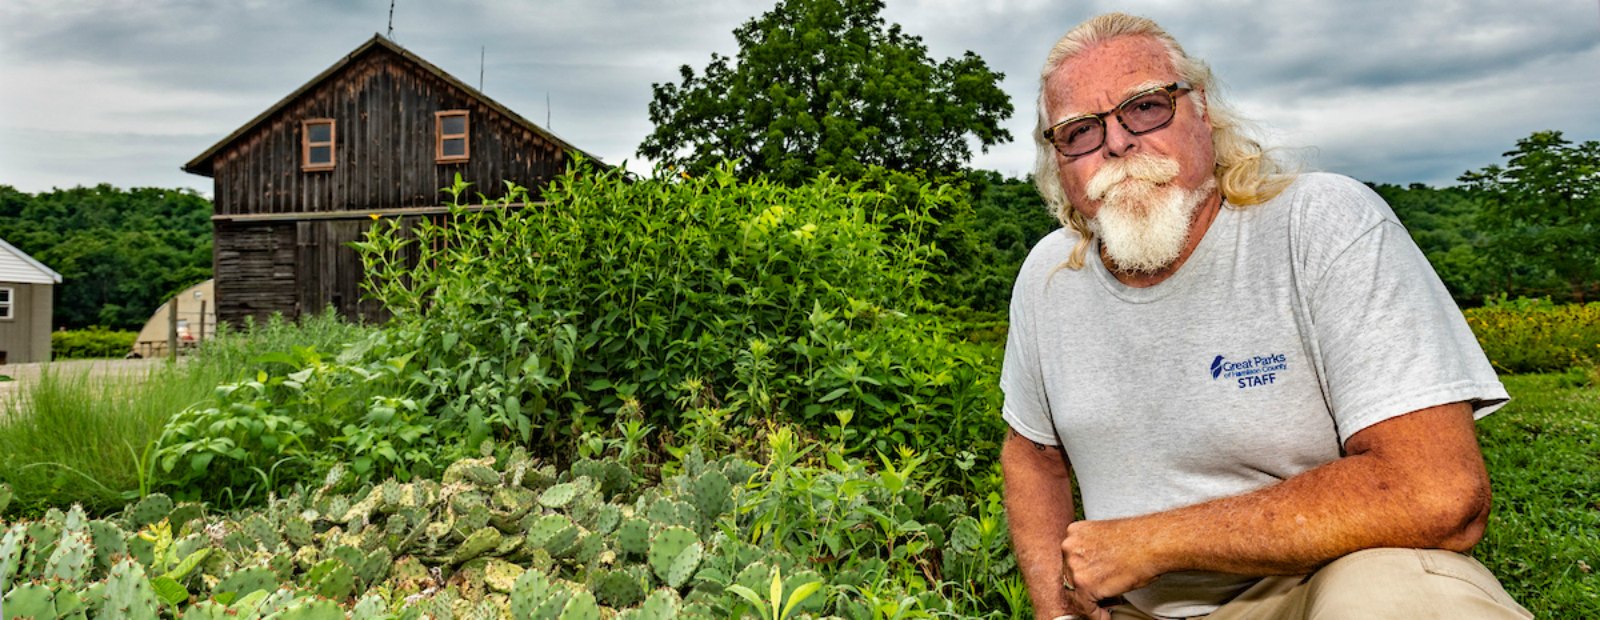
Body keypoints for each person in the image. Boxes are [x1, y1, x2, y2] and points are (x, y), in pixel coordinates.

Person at [1000, 13, 1532, 620]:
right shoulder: (1048, 276)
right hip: (1133, 611)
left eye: (1144, 107)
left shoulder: (1321, 223)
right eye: (1080, 131)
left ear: (1200, 109)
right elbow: (1032, 454)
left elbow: (1438, 491)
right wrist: (1057, 609)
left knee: (1400, 596)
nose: (1117, 142)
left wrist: (1155, 541)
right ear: (1058, 160)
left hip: (1314, 589)